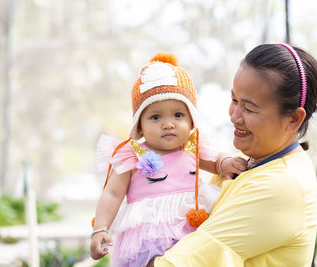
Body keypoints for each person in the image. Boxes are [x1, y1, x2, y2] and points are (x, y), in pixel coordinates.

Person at [148, 43, 317, 266]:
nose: (234, 116)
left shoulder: (283, 185)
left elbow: (181, 262)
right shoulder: (246, 165)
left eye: (249, 109)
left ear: (293, 119)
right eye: (234, 101)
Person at [90, 52, 248, 267]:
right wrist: (100, 228)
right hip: (147, 239)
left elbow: (216, 162)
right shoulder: (132, 154)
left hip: (191, 231)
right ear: (139, 125)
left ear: (191, 120)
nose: (168, 124)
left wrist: (227, 163)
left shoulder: (193, 147)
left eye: (178, 115)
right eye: (155, 117)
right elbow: (112, 193)